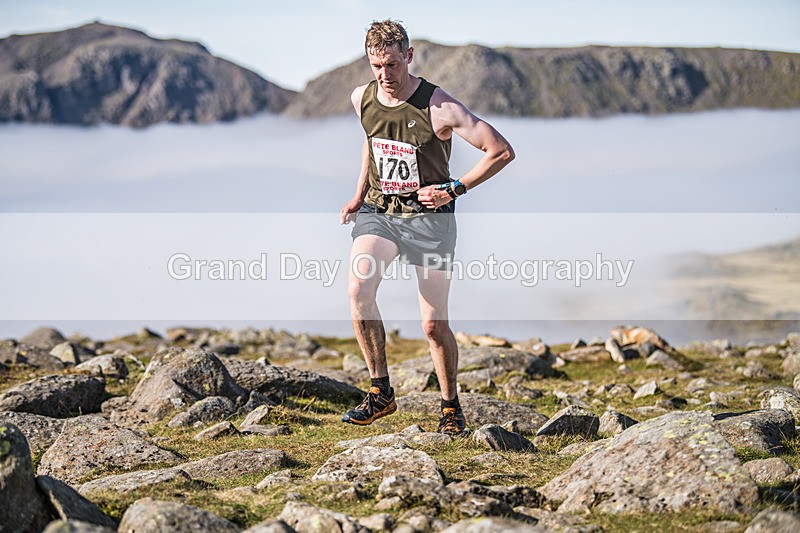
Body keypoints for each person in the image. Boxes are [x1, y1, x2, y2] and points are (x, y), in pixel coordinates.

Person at [339, 19, 515, 435]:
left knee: (434, 326)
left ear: (409, 57)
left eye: (393, 64)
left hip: (430, 221)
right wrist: (358, 192)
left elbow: (501, 151)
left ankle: (450, 407)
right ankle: (381, 390)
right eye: (376, 65)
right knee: (358, 288)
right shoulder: (360, 97)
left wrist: (454, 189)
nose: (385, 75)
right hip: (380, 210)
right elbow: (372, 140)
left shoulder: (440, 107)